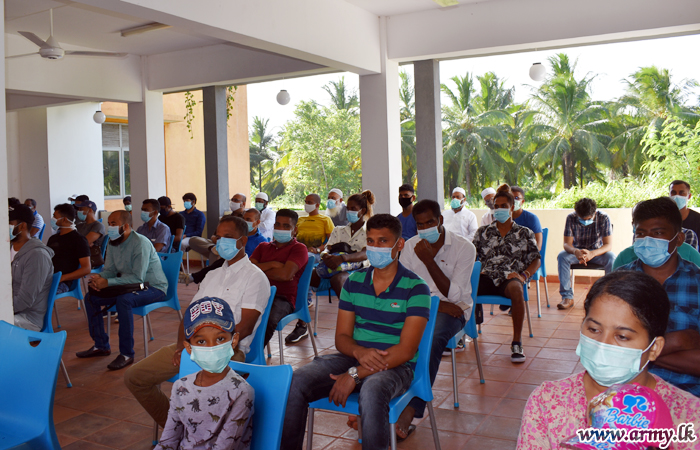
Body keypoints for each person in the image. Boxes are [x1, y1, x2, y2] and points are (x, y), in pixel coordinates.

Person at [281, 214, 432, 450]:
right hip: (353, 356)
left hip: (396, 365)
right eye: (371, 241)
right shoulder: (354, 282)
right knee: (295, 382)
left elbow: (406, 350)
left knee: (372, 390)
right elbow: (341, 338)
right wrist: (359, 353)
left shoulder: (417, 288)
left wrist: (354, 374)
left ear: (399, 244)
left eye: (383, 241)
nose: (375, 247)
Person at [517, 271, 700, 450]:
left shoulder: (690, 417)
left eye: (622, 336)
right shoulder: (547, 401)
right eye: (594, 329)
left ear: (654, 348)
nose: (602, 345)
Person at [125, 215, 270, 427]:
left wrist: (211, 349)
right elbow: (189, 315)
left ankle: (200, 433)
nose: (221, 242)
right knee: (135, 377)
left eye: (228, 237)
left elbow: (245, 327)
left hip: (228, 350)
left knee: (201, 392)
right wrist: (179, 347)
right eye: (218, 237)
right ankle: (177, 428)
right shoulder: (212, 275)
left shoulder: (255, 277)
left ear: (243, 241)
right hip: (194, 347)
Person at [396, 199, 476, 439]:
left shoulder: (464, 248)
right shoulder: (410, 246)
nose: (424, 229)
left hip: (455, 310)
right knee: (383, 333)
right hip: (423, 307)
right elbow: (403, 289)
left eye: (429, 223)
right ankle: (386, 399)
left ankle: (410, 410)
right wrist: (437, 304)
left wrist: (429, 261)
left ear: (440, 220)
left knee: (429, 340)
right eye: (419, 225)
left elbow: (455, 296)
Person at [616, 196, 700, 396]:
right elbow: (607, 351)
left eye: (658, 233)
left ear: (678, 239)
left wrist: (636, 352)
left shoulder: (697, 283)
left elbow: (621, 353)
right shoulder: (618, 282)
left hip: (687, 394)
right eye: (641, 233)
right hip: (627, 395)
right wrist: (678, 342)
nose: (648, 240)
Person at [155, 297, 254, 450]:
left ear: (234, 341)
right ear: (189, 348)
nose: (211, 348)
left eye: (220, 339)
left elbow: (225, 446)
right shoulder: (181, 387)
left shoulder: (242, 392)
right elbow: (168, 440)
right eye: (201, 342)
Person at [77, 210, 168, 371]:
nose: (110, 227)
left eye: (113, 224)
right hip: (127, 285)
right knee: (91, 297)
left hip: (153, 287)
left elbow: (138, 278)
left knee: (124, 300)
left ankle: (126, 354)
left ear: (125, 226)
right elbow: (110, 270)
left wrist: (108, 282)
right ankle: (101, 345)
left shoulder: (140, 243)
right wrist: (100, 278)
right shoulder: (113, 242)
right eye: (109, 224)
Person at [473, 184, 540, 362]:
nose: (499, 209)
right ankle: (462, 334)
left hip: (510, 278)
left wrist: (524, 276)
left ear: (512, 208)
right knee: (463, 288)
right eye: (496, 206)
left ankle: (517, 342)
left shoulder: (524, 233)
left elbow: (536, 259)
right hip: (486, 276)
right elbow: (471, 256)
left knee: (517, 290)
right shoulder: (483, 232)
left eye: (504, 206)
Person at [250, 209, 308, 345]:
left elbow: (285, 275)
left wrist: (260, 268)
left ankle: (254, 354)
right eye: (278, 225)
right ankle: (237, 351)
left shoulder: (299, 248)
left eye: (286, 226)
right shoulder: (262, 247)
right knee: (235, 313)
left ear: (295, 230)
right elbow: (249, 270)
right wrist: (273, 264)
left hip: (282, 298)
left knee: (267, 319)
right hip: (256, 293)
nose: (281, 229)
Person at [286, 194, 335, 343]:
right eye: (305, 201)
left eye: (310, 202)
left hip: (315, 253)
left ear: (317, 205)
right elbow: (294, 236)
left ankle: (306, 298)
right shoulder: (300, 220)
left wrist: (319, 249)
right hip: (299, 251)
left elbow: (331, 240)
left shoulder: (325, 219)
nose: (307, 204)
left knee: (303, 261)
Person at [310, 190, 374, 300]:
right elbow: (327, 249)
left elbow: (365, 254)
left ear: (362, 211)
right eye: (348, 208)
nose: (349, 211)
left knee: (338, 279)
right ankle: (303, 305)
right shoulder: (338, 230)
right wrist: (326, 256)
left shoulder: (370, 232)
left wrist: (342, 258)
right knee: (308, 274)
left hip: (360, 270)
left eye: (353, 209)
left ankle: (349, 309)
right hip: (334, 267)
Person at [183, 208, 269, 286]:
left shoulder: (261, 241)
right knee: (194, 240)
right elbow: (216, 237)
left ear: (257, 222)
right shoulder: (236, 232)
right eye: (244, 219)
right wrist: (218, 241)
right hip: (221, 252)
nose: (245, 221)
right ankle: (214, 250)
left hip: (236, 262)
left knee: (219, 260)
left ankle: (199, 278)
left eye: (248, 219)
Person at [556, 197, 615, 310]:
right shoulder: (571, 217)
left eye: (588, 219)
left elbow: (608, 245)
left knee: (611, 257)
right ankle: (567, 297)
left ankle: (609, 295)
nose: (585, 221)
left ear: (595, 213)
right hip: (577, 253)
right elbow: (567, 244)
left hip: (597, 253)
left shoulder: (604, 218)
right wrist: (576, 251)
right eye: (581, 219)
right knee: (562, 256)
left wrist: (592, 254)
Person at [9, 204, 54, 331]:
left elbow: (24, 300)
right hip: (10, 310)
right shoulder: (7, 248)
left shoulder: (37, 255)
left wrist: (3, 309)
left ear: (22, 226)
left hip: (27, 318)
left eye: (8, 223)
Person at [47, 204, 91, 294]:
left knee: (39, 294)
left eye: (55, 216)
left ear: (64, 219)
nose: (52, 219)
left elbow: (86, 268)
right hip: (48, 278)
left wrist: (62, 278)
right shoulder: (53, 238)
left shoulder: (79, 240)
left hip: (63, 282)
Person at [511, 186, 543, 250]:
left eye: (516, 198)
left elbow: (538, 246)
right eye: (510, 198)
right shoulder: (502, 218)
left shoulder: (532, 218)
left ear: (522, 201)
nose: (513, 201)